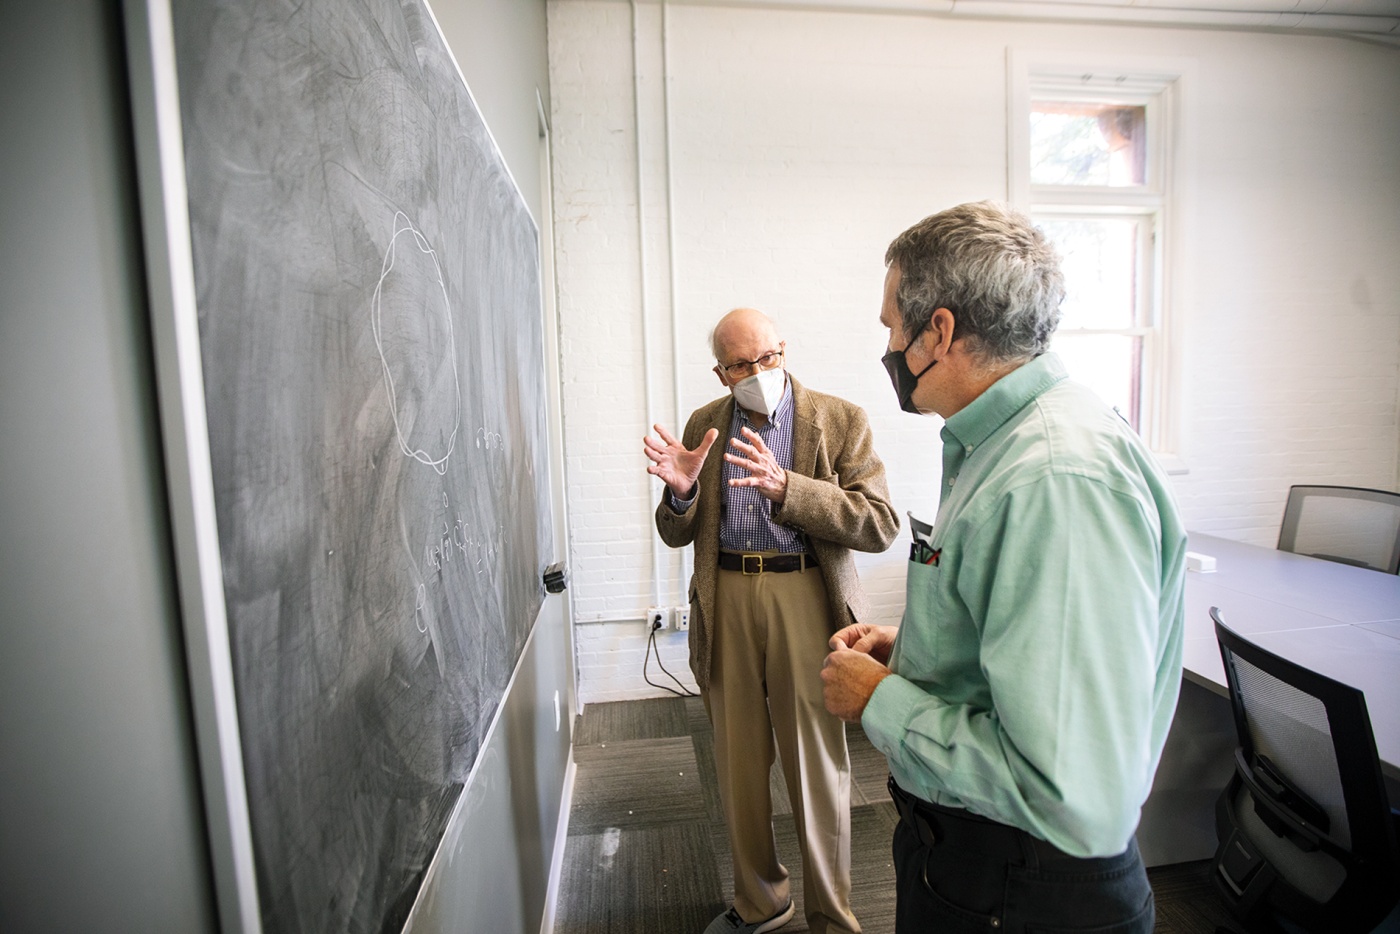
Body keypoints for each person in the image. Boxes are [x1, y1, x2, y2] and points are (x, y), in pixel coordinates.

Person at [821, 201, 1187, 934]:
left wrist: (882, 701)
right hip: (977, 863)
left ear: (941, 331)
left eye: (893, 327)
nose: (889, 346)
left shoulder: (1056, 477)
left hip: (1024, 888)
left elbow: (1072, 792)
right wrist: (921, 650)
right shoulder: (998, 446)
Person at [644, 307, 899, 934]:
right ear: (721, 371)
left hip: (806, 596)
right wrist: (680, 493)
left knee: (816, 764)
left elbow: (880, 523)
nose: (757, 372)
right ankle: (762, 903)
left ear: (783, 351)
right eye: (740, 364)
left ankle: (832, 916)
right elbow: (675, 532)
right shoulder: (706, 422)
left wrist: (790, 489)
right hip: (727, 594)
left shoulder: (838, 419)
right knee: (737, 760)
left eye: (767, 358)